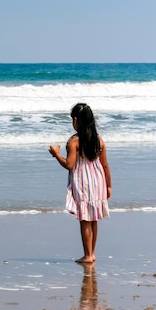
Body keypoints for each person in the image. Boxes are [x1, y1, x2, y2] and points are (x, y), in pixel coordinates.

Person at [49, 103, 112, 263]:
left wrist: (56, 154)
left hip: (83, 182)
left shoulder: (74, 142)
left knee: (85, 219)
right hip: (98, 181)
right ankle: (93, 253)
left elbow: (69, 165)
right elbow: (105, 165)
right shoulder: (99, 140)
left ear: (76, 120)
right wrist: (109, 185)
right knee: (94, 219)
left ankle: (88, 255)